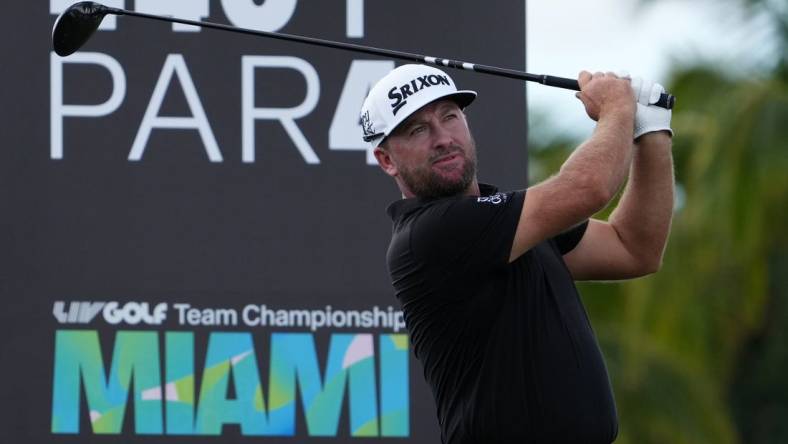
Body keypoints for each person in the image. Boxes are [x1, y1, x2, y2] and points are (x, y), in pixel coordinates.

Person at [360, 64, 674, 443]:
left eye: (450, 117)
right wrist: (618, 109)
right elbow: (589, 188)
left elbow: (634, 249)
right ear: (386, 160)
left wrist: (651, 132)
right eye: (418, 129)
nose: (443, 138)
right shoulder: (430, 233)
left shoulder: (511, 223)